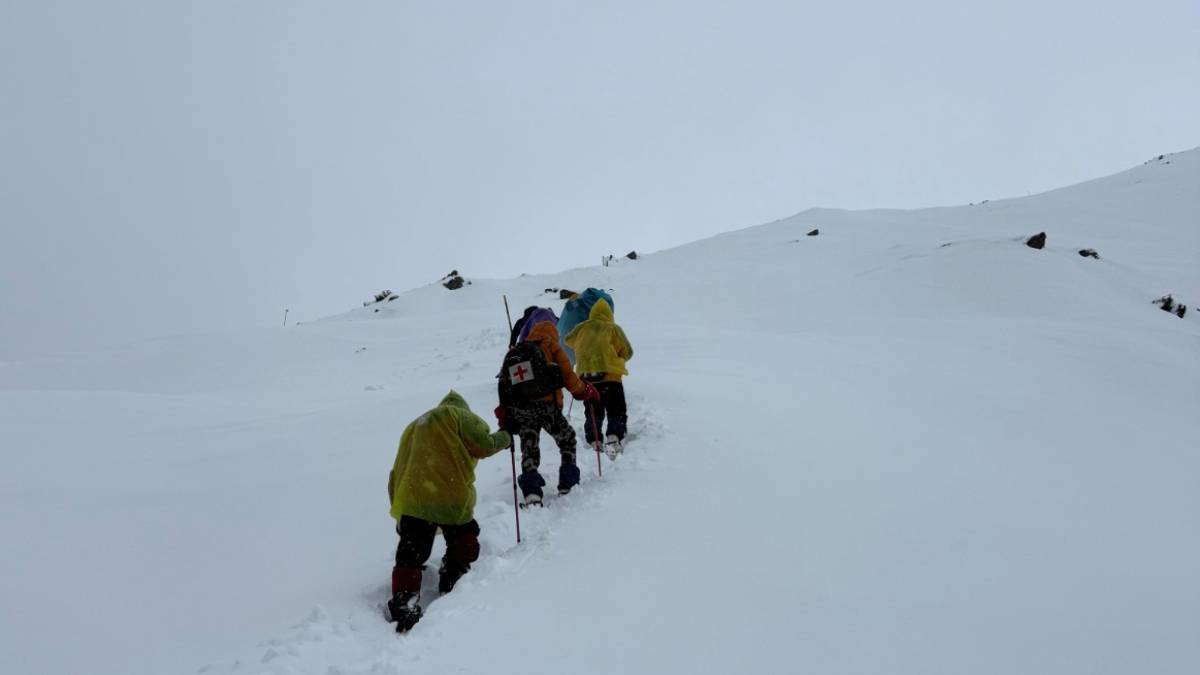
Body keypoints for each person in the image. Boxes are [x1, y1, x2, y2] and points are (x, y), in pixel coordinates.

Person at [386, 390, 513, 633]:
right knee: (463, 538)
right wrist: (506, 436)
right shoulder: (458, 415)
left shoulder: (414, 425)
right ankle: (452, 579)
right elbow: (483, 445)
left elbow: (396, 470)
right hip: (449, 493)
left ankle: (404, 601)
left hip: (413, 497)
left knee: (410, 553)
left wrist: (400, 507)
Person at [497, 309, 598, 505]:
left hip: (522, 409)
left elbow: (504, 385)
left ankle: (532, 492)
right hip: (547, 406)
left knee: (529, 447)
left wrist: (505, 417)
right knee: (567, 439)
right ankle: (568, 483)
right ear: (553, 332)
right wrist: (585, 391)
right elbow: (569, 377)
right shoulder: (551, 344)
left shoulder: (515, 352)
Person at [564, 298, 633, 457]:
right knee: (616, 408)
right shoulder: (613, 328)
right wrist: (618, 358)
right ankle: (614, 436)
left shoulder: (582, 328)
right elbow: (628, 352)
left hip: (587, 378)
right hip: (611, 377)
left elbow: (568, 340)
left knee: (593, 410)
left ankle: (594, 440)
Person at [557, 288, 614, 365]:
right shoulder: (594, 309)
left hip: (564, 342)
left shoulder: (576, 301)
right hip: (583, 351)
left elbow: (561, 324)